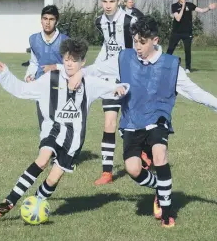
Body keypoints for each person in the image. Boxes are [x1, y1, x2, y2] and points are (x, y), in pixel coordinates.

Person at [70, 15, 217, 227]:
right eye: (135, 40)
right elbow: (98, 68)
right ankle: (161, 187)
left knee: (159, 154)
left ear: (155, 41)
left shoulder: (171, 66)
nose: (137, 46)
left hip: (158, 119)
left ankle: (167, 212)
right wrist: (80, 73)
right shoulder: (124, 59)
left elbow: (196, 93)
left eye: (142, 42)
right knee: (133, 169)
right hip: (131, 122)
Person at [0, 38, 129, 217]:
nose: (69, 64)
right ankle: (9, 200)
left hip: (74, 138)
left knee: (53, 177)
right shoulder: (51, 79)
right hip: (53, 128)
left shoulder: (90, 82)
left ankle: (36, 203)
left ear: (83, 62)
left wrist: (119, 89)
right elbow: (22, 90)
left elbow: (120, 87)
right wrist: (5, 75)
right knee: (43, 159)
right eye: (66, 60)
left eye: (74, 60)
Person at [93, 0, 137, 185]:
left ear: (118, 1)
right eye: (104, 0)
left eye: (111, 0)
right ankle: (107, 172)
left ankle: (144, 156)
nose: (108, 4)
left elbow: (143, 45)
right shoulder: (99, 21)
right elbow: (106, 44)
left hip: (130, 78)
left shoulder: (131, 21)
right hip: (110, 79)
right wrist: (97, 67)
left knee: (134, 124)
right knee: (109, 122)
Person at [24, 5, 69, 129]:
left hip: (60, 85)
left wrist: (55, 66)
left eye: (51, 19)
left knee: (60, 123)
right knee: (43, 122)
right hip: (41, 84)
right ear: (41, 20)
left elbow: (71, 66)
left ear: (56, 21)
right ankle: (45, 147)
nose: (47, 22)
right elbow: (34, 62)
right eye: (45, 18)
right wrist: (29, 75)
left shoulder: (65, 41)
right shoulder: (33, 39)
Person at [167, 0, 216, 73]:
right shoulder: (174, 6)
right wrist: (182, 7)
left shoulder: (190, 5)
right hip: (176, 32)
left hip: (187, 32)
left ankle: (188, 68)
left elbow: (201, 10)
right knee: (170, 49)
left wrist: (208, 8)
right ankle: (165, 65)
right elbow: (178, 18)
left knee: (187, 50)